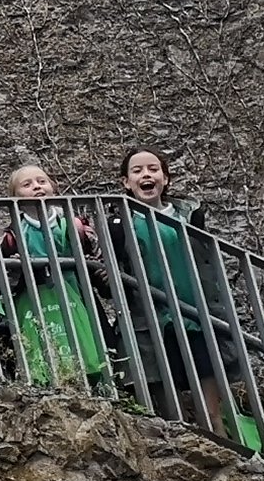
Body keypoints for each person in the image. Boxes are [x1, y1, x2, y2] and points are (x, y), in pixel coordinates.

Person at [105, 148, 253, 447]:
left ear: (165, 177)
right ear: (125, 181)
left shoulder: (189, 216)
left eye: (153, 169)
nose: (146, 175)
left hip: (196, 313)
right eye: (137, 171)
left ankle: (221, 444)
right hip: (151, 319)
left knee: (209, 395)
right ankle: (179, 448)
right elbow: (112, 276)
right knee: (166, 397)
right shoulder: (118, 223)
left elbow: (207, 262)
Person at [0, 164, 110, 393]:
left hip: (78, 297)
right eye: (27, 184)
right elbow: (5, 283)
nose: (37, 187)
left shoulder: (76, 226)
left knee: (89, 347)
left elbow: (97, 262)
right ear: (14, 197)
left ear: (53, 187)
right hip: (34, 301)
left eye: (41, 181)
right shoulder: (12, 236)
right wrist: (18, 267)